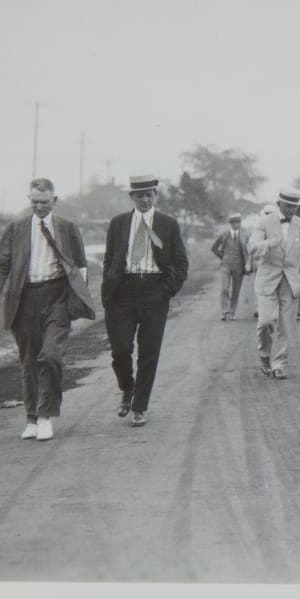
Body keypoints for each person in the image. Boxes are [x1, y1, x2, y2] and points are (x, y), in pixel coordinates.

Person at [0, 178, 88, 441]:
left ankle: (46, 416)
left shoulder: (67, 228)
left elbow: (81, 266)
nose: (39, 207)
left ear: (54, 201)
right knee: (28, 361)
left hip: (57, 298)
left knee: (50, 355)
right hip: (24, 299)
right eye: (34, 202)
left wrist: (78, 298)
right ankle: (31, 418)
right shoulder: (16, 229)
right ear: (30, 201)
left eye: (44, 202)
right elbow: (0, 265)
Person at [102, 174, 189, 427]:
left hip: (154, 291)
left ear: (155, 196)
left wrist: (168, 289)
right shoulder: (118, 223)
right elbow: (110, 258)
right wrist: (108, 287)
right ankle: (127, 388)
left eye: (149, 195)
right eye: (139, 195)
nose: (144, 199)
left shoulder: (168, 224)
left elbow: (181, 262)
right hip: (122, 292)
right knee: (120, 350)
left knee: (149, 353)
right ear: (132, 197)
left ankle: (139, 407)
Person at [248, 188, 300, 380]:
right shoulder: (264, 222)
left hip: (291, 280)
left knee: (286, 324)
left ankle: (279, 364)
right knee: (266, 320)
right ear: (279, 204)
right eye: (288, 205)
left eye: (295, 205)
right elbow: (252, 247)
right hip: (268, 277)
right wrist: (269, 243)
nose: (292, 209)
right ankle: (264, 355)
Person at [211, 212, 251, 321]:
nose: (236, 224)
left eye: (238, 222)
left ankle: (232, 312)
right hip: (226, 265)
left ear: (240, 222)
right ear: (230, 223)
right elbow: (214, 248)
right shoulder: (224, 235)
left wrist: (248, 263)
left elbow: (250, 251)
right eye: (233, 222)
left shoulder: (245, 235)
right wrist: (222, 257)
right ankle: (224, 312)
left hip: (239, 266)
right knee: (225, 288)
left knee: (236, 290)